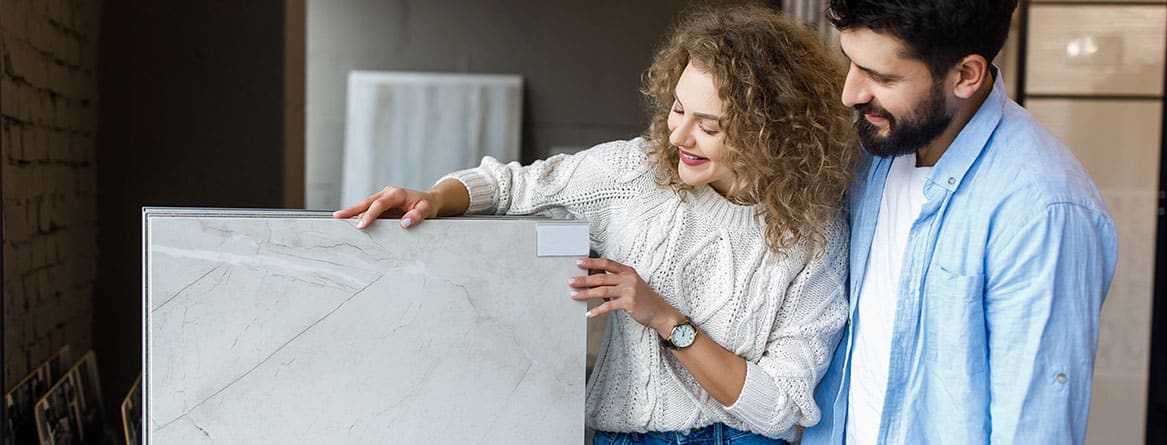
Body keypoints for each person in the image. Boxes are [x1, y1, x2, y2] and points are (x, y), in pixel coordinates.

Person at [335, 6, 856, 444]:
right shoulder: (635, 173)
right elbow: (514, 186)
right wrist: (433, 197)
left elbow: (780, 407)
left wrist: (664, 318)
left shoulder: (813, 233)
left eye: (709, 125)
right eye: (677, 109)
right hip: (615, 435)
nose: (679, 136)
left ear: (771, 133)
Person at [802, 1, 1119, 444]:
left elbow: (1034, 428)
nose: (850, 93)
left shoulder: (1041, 210)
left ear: (966, 75)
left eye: (882, 77)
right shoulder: (876, 153)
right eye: (851, 63)